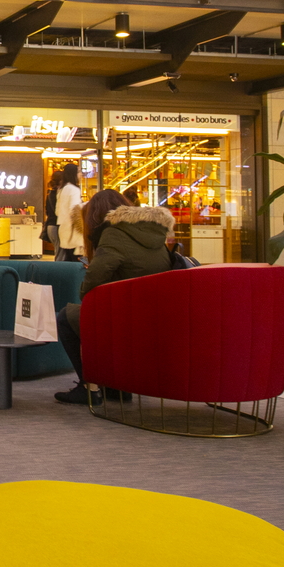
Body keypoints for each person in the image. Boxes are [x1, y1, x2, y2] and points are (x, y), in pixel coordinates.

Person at [54, 195, 175, 407]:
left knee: (67, 317)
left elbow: (95, 278)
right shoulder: (154, 231)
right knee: (95, 316)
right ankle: (117, 387)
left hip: (128, 319)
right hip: (155, 316)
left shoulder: (113, 233)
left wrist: (86, 290)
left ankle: (88, 388)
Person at [55, 160, 84, 262]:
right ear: (74, 174)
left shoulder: (62, 190)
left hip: (63, 229)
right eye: (79, 172)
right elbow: (75, 210)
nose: (81, 174)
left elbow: (57, 211)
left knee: (68, 259)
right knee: (77, 261)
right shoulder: (74, 190)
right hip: (73, 230)